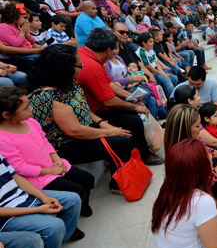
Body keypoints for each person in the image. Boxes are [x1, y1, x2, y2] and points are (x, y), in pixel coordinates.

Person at [26, 44, 136, 194]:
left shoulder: (69, 84)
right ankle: (117, 184)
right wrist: (110, 132)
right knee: (122, 141)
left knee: (128, 123)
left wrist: (102, 123)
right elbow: (75, 131)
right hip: (64, 144)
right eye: (79, 65)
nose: (82, 68)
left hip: (82, 131)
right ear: (64, 68)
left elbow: (84, 109)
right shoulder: (48, 95)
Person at [0, 87, 95, 218]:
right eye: (26, 107)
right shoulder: (3, 139)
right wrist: (51, 171)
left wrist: (56, 159)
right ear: (6, 115)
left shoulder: (30, 121)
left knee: (88, 179)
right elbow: (20, 169)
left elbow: (44, 141)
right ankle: (69, 220)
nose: (31, 108)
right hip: (37, 178)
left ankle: (82, 206)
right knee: (76, 189)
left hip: (52, 166)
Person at [76, 29, 164, 166]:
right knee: (134, 121)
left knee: (140, 108)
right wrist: (135, 106)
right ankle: (143, 155)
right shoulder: (92, 66)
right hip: (96, 111)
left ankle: (140, 153)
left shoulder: (85, 54)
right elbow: (109, 101)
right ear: (107, 50)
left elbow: (110, 84)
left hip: (99, 106)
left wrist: (131, 97)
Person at [0, 154, 82, 248]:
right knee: (55, 226)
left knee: (72, 200)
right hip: (6, 217)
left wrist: (43, 197)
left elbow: (16, 178)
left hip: (24, 197)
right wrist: (37, 209)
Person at [171, 66, 217, 143]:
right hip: (196, 121)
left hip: (212, 117)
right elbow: (172, 104)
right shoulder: (180, 88)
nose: (194, 87)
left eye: (198, 84)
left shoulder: (212, 85)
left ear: (204, 80)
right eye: (191, 83)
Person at [0, 2, 41, 72]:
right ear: (14, 17)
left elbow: (33, 41)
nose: (27, 21)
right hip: (20, 55)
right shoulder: (4, 27)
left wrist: (27, 34)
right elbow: (16, 44)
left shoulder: (20, 26)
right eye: (25, 18)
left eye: (28, 19)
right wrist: (22, 32)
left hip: (28, 52)